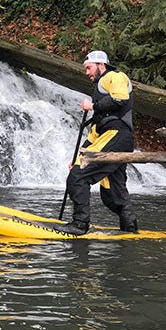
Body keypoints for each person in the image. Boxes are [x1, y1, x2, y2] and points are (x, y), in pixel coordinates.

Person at [64, 50, 138, 235]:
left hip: (117, 135)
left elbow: (121, 99)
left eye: (89, 67)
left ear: (101, 65)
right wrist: (81, 156)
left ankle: (79, 224)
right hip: (113, 137)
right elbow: (95, 134)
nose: (87, 72)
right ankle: (130, 229)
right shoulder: (100, 88)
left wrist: (93, 106)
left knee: (78, 176)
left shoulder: (114, 76)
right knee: (112, 194)